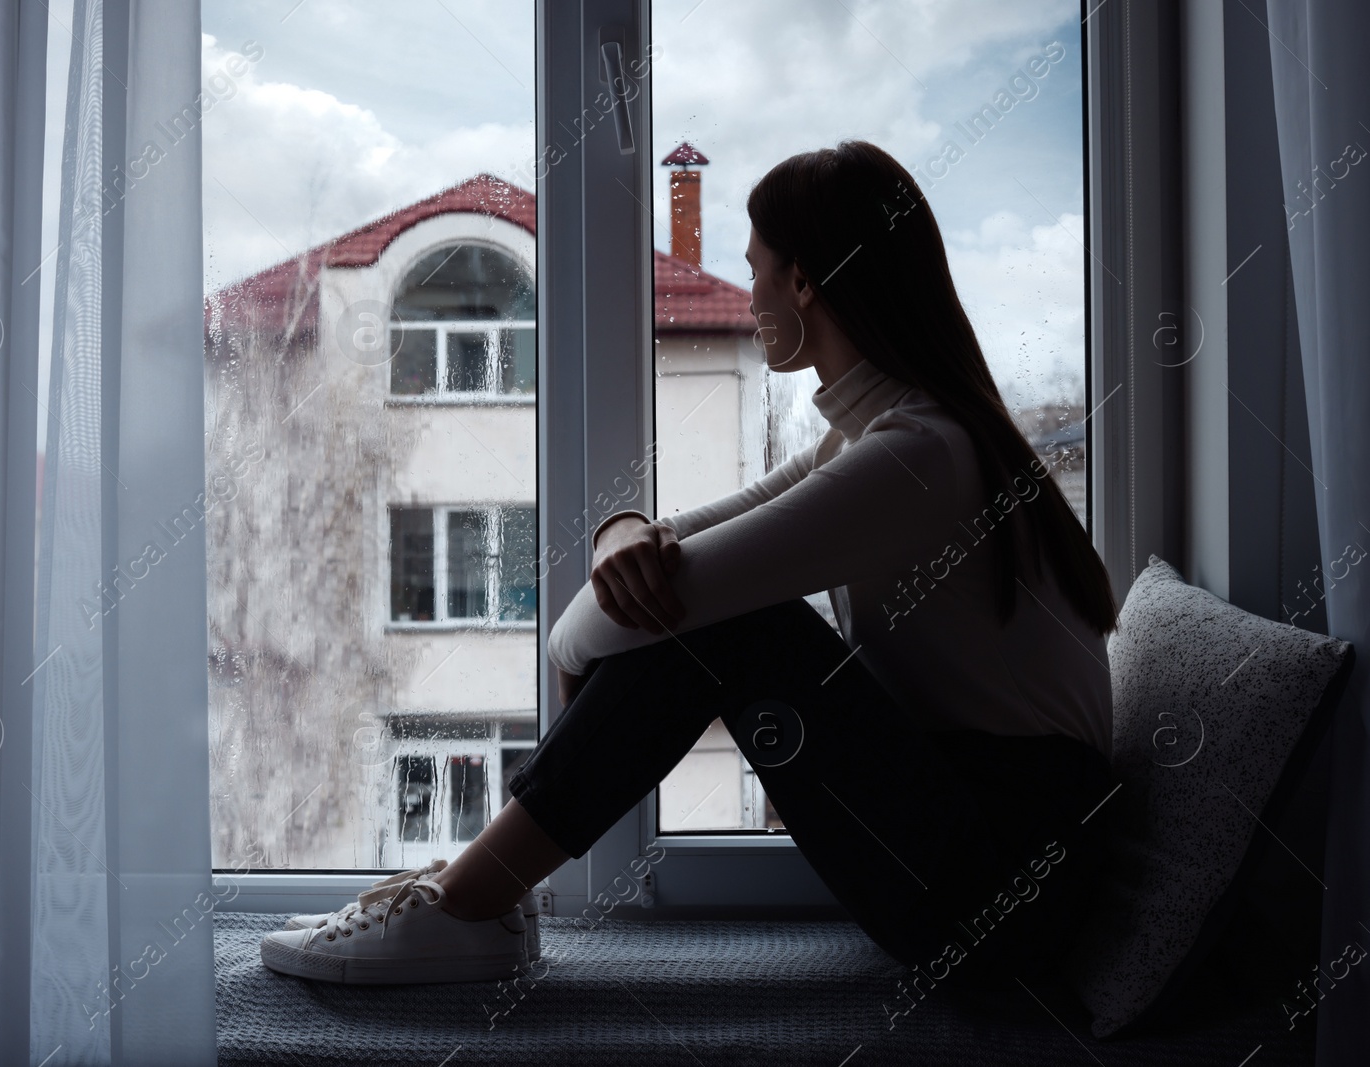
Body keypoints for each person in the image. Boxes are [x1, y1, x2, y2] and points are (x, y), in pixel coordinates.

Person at [260, 140, 1120, 991]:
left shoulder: (918, 457)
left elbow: (621, 615)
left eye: (755, 272)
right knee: (715, 609)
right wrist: (620, 530)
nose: (748, 297)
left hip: (1008, 900)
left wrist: (581, 637)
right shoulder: (879, 439)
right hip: (983, 858)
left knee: (732, 623)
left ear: (806, 281)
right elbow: (659, 557)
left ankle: (466, 902)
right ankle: (473, 898)